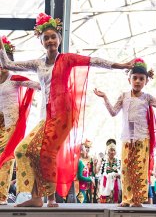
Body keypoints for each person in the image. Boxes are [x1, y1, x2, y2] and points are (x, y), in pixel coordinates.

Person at [0, 12, 134, 208]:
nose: (50, 40)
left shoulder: (67, 59)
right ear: (42, 42)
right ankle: (36, 197)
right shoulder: (37, 63)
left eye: (53, 36)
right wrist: (1, 45)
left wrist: (120, 65)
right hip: (45, 117)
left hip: (63, 115)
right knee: (22, 150)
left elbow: (94, 60)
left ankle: (51, 198)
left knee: (46, 152)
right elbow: (8, 64)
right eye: (46, 38)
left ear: (59, 39)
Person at [94, 58, 156, 207]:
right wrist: (105, 98)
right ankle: (126, 199)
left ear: (146, 81)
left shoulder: (146, 97)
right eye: (134, 78)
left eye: (141, 79)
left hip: (142, 140)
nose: (137, 81)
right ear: (129, 79)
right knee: (126, 170)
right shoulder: (124, 96)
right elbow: (113, 112)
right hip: (127, 139)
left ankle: (137, 199)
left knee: (140, 171)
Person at [0, 36, 40, 205]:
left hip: (11, 125)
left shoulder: (14, 79)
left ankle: (1, 195)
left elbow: (38, 85)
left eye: (3, 64)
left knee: (5, 157)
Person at [98, 139, 121, 203]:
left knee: (115, 204)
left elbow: (122, 173)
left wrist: (118, 175)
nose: (112, 152)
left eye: (114, 150)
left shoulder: (119, 161)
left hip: (116, 186)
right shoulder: (103, 161)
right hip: (105, 186)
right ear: (107, 151)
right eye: (111, 150)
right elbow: (97, 172)